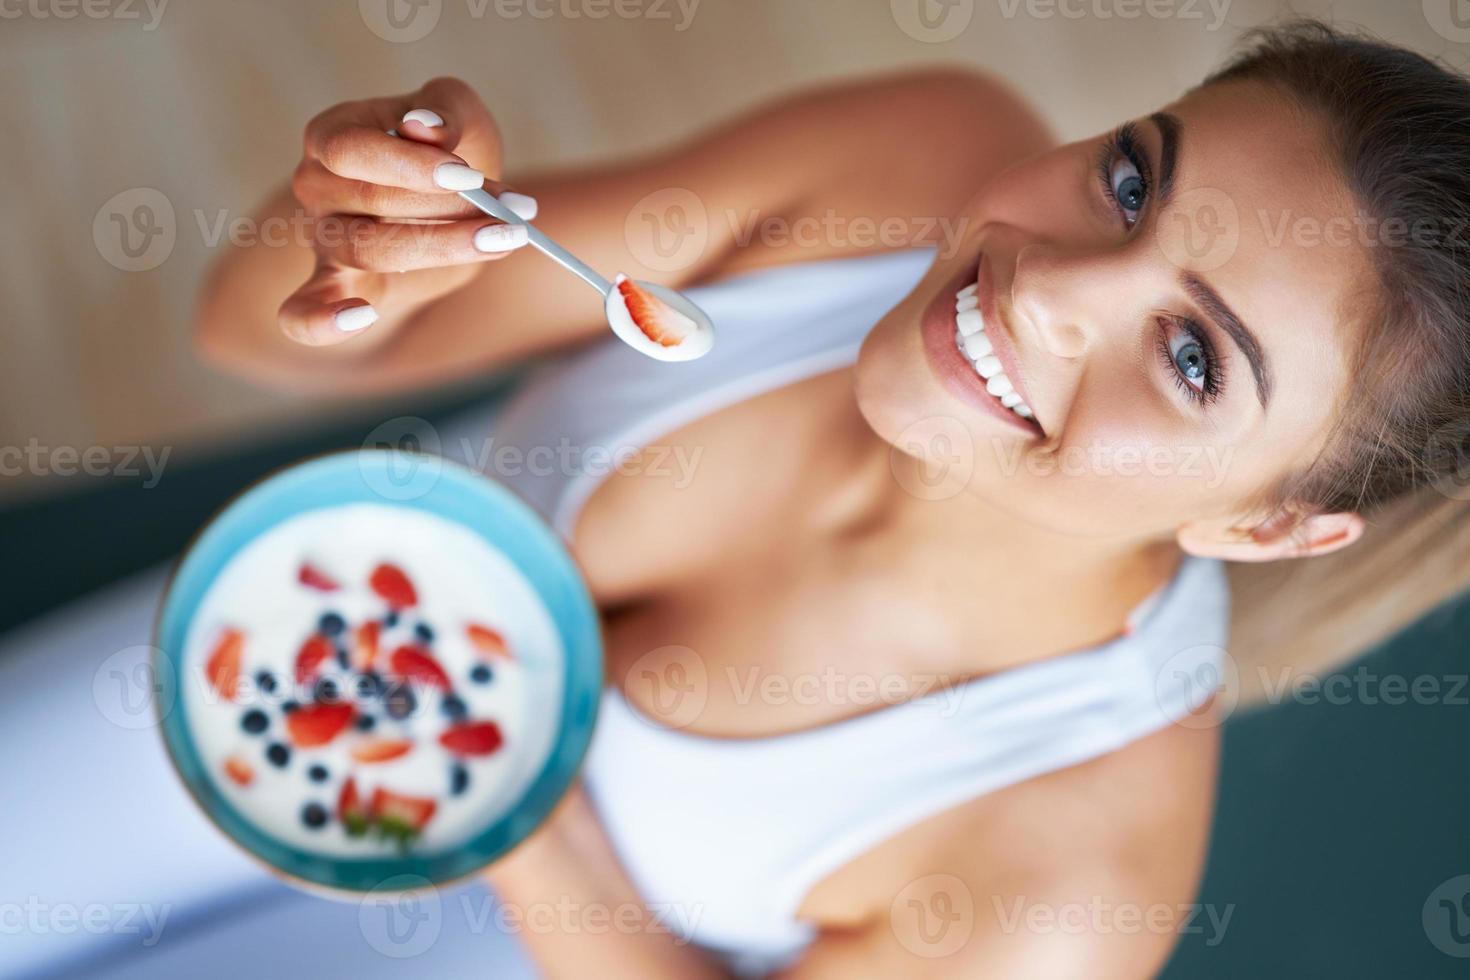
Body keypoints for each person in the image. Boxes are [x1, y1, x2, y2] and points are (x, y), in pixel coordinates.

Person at [186, 18, 1470, 978]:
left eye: (1194, 358)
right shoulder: (905, 164)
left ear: (1264, 524)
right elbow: (245, 332)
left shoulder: (1073, 890)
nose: (1046, 291)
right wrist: (370, 236)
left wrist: (507, 814)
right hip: (268, 625)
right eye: (1131, 184)